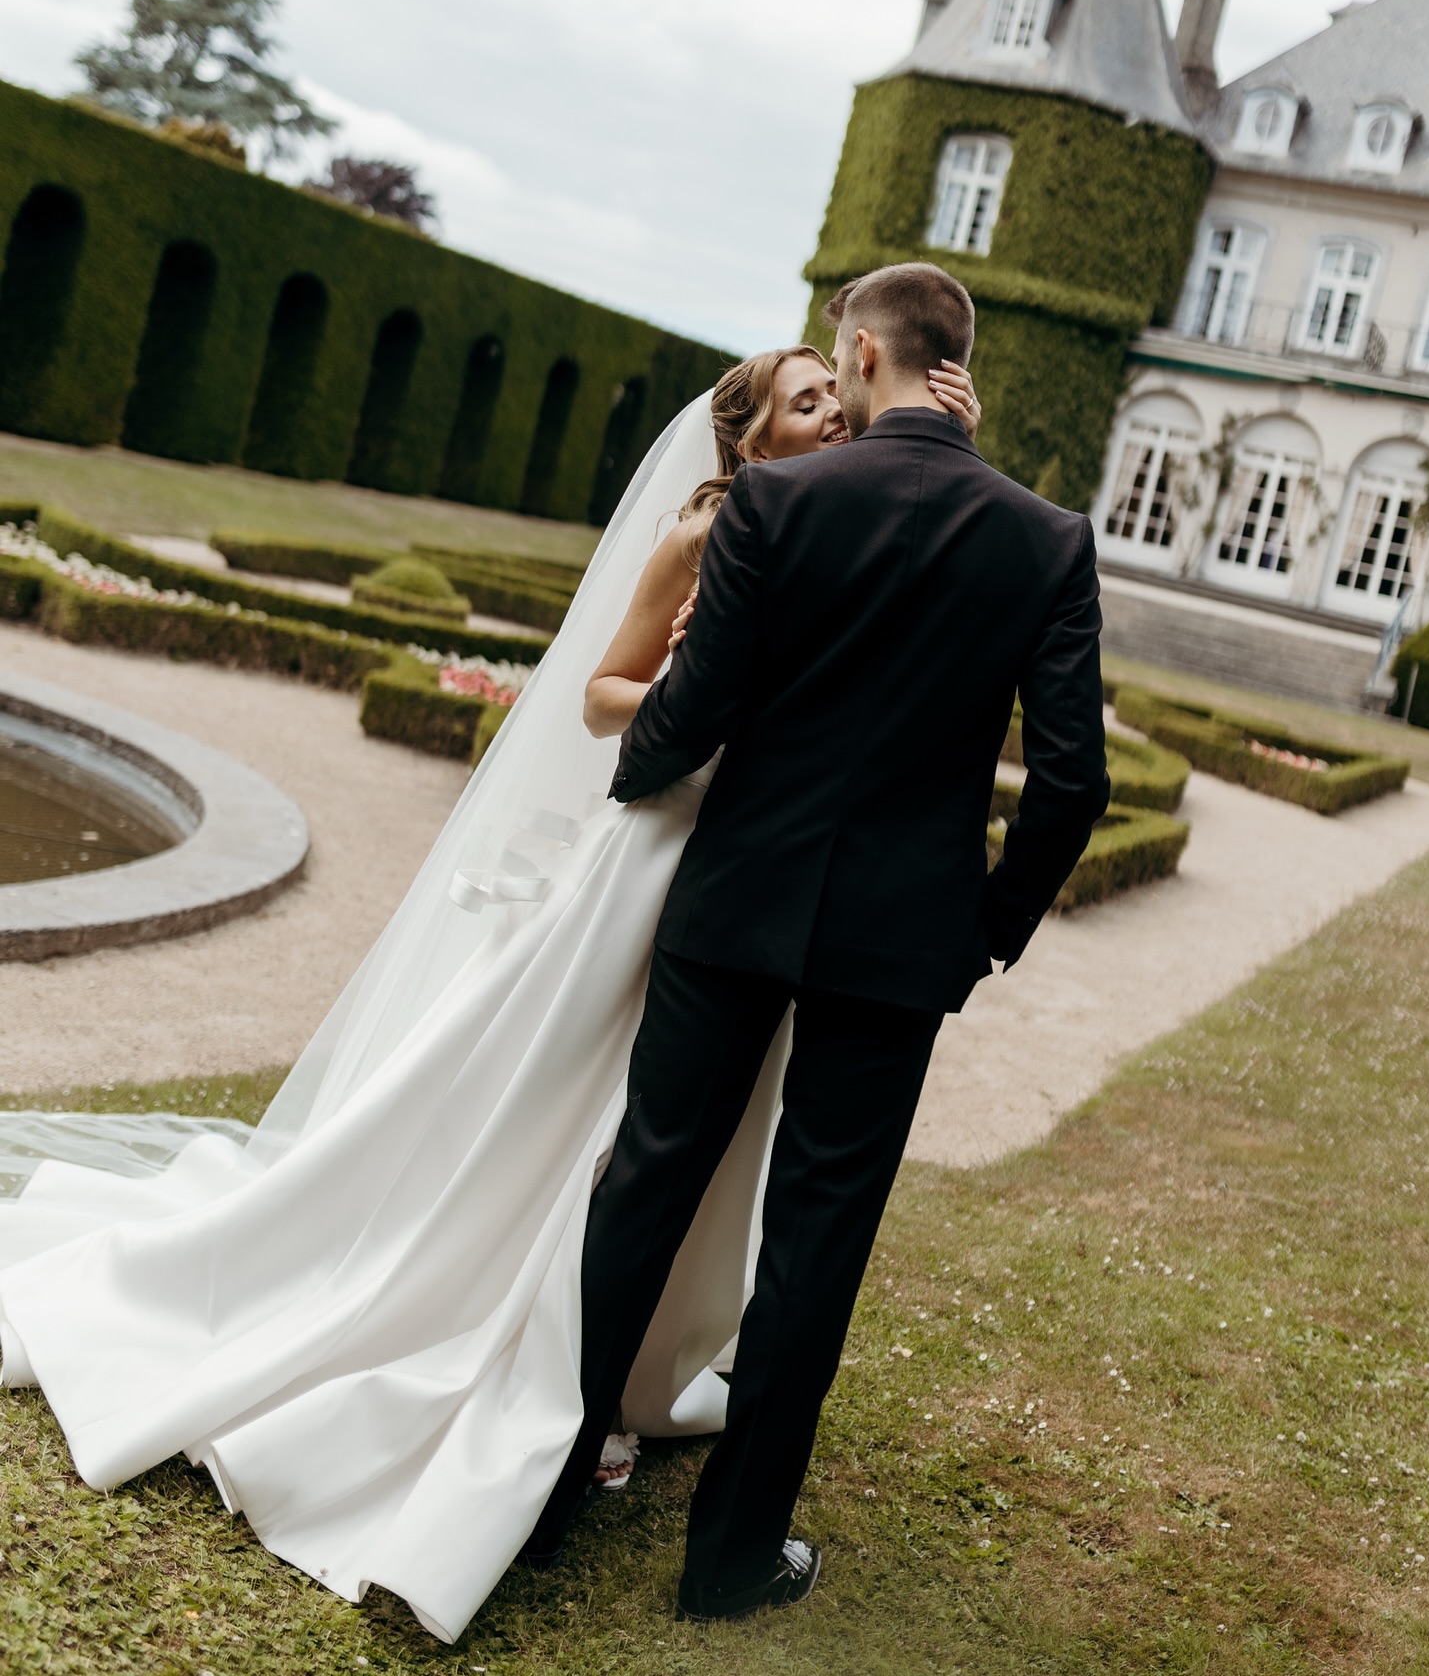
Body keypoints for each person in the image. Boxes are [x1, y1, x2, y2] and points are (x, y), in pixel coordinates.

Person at [0, 331, 983, 1643]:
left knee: (691, 1137)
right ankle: (515, 1361)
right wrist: (702, 707)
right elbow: (601, 697)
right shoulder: (703, 537)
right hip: (659, 861)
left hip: (758, 890)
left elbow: (945, 565)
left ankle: (624, 1376)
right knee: (575, 1115)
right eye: (806, 404)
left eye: (839, 397)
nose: (833, 417)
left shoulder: (842, 526)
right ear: (748, 438)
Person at [525, 260, 1111, 1622]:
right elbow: (1071, 783)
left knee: (647, 1183)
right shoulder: (1047, 537)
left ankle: (546, 1492)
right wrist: (983, 928)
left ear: (858, 354)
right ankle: (732, 1558)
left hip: (736, 897)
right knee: (819, 1241)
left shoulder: (781, 497)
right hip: (898, 940)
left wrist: (633, 802)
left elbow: (692, 708)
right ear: (953, 370)